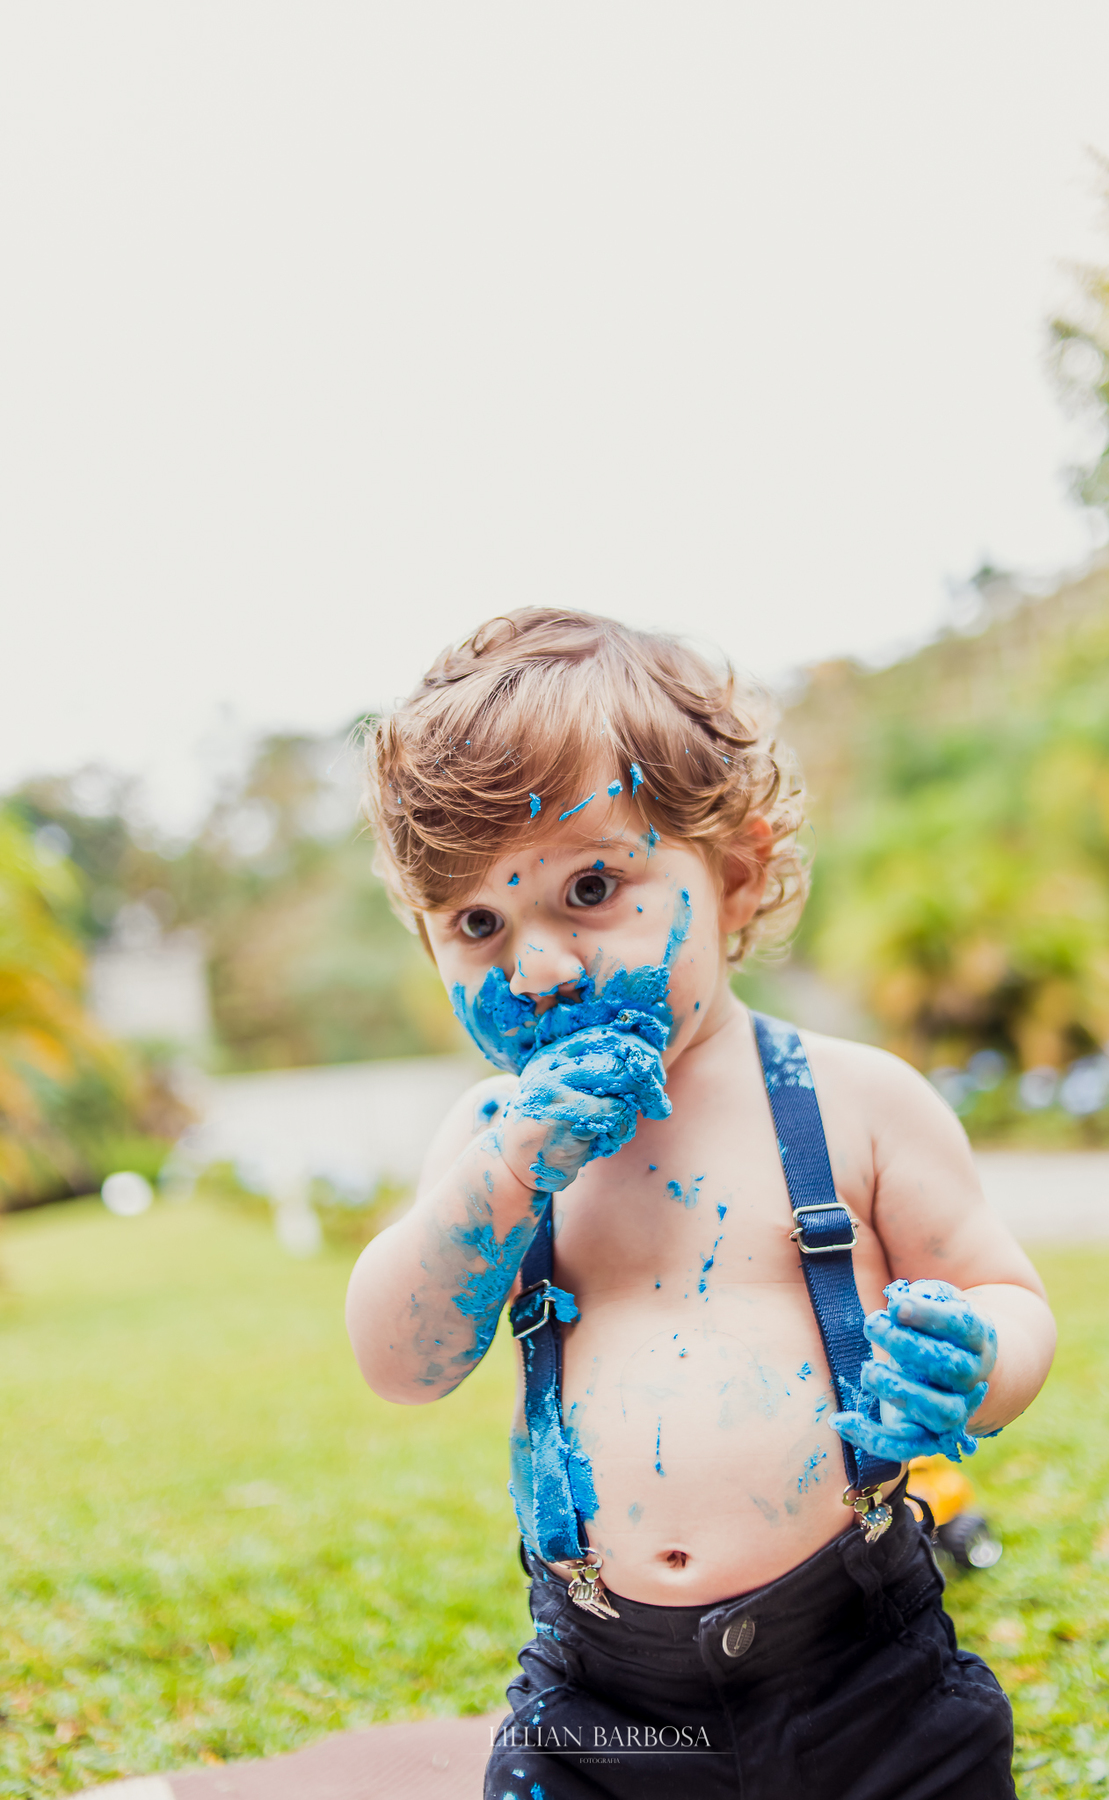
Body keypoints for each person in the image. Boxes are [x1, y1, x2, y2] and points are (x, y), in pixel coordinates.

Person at [345, 608, 1057, 1800]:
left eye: (588, 886)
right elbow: (401, 1360)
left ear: (731, 873)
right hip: (609, 1701)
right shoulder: (489, 1142)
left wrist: (975, 1358)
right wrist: (506, 1174)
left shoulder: (855, 1099)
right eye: (477, 922)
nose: (540, 968)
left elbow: (1007, 1291)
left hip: (864, 1665)